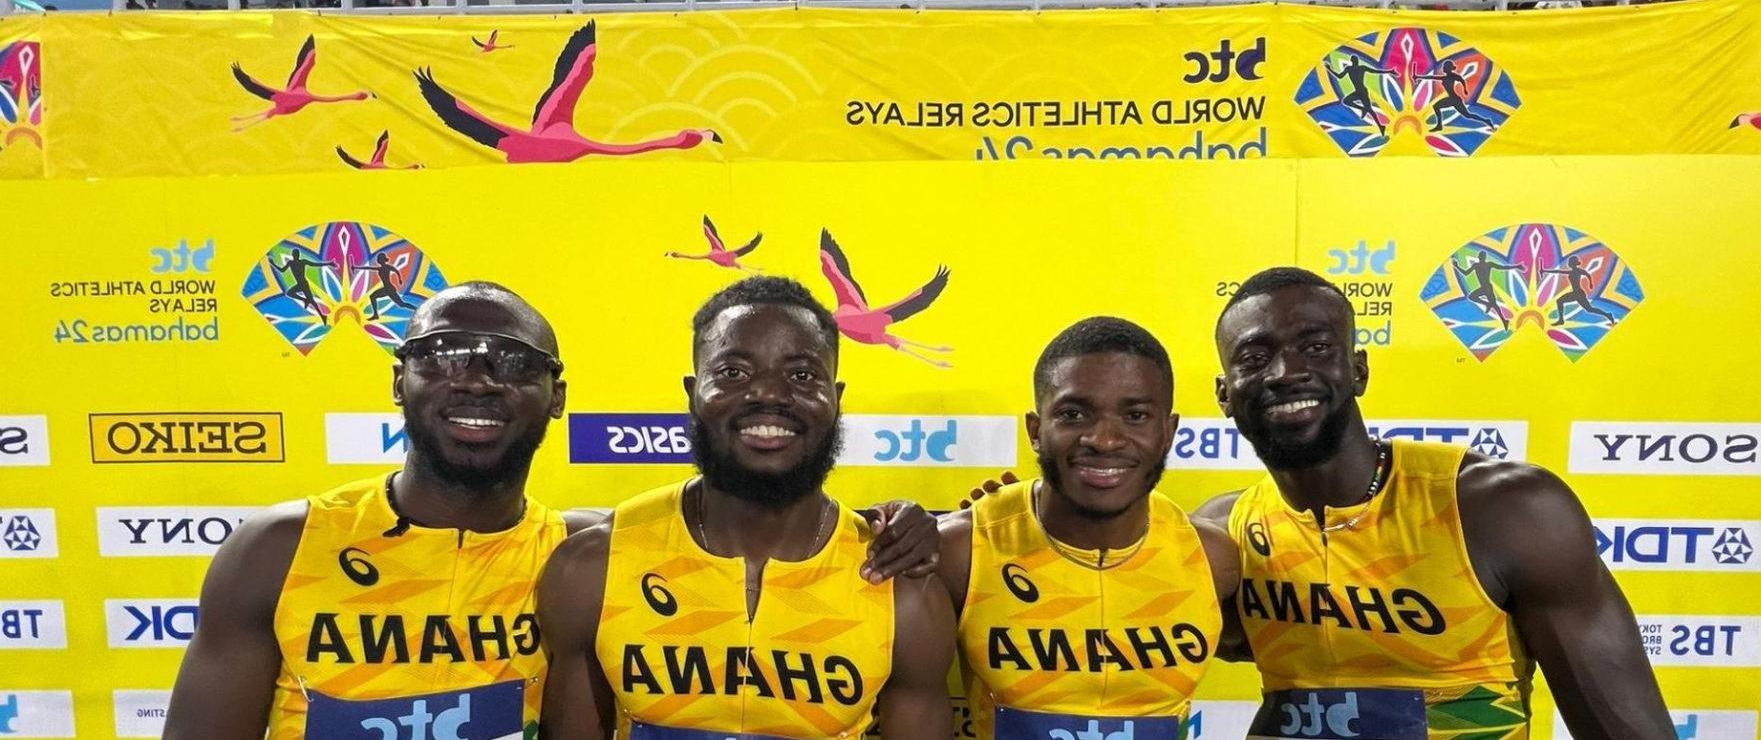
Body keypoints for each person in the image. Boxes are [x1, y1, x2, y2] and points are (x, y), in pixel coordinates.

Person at [164, 281, 938, 740]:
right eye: (443, 354)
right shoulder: (277, 548)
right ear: (396, 381)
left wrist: (903, 522)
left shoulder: (586, 554)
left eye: (513, 364)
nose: (479, 380)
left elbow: (762, 516)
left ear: (556, 397)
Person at [1199, 267, 1673, 739]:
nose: (1288, 372)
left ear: (1358, 370)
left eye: (1317, 347)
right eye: (1255, 357)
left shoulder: (1501, 509)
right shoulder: (1226, 538)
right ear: (1224, 394)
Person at [538, 276, 955, 739]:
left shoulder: (900, 591)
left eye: (801, 375)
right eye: (733, 373)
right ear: (693, 394)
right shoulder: (596, 565)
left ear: (835, 400)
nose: (770, 395)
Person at [938, 317, 1238, 738]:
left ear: (1168, 432)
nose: (1105, 439)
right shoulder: (962, 551)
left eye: (1135, 415)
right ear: (1036, 430)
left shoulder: (1213, 557)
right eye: (1074, 413)